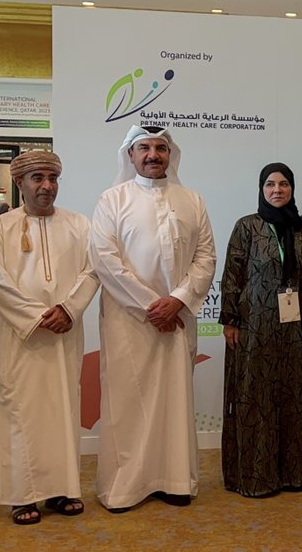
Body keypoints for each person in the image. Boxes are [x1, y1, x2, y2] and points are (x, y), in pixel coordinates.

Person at [90, 125, 217, 512]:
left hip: (176, 320)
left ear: (170, 154)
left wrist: (176, 301)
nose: (152, 155)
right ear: (130, 155)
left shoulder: (192, 200)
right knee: (128, 402)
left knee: (174, 400)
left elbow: (206, 258)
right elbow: (104, 260)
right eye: (143, 147)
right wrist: (152, 305)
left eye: (160, 148)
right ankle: (124, 487)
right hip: (128, 323)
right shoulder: (111, 200)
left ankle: (175, 479)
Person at [0, 151, 99, 524]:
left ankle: (63, 489)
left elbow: (92, 270)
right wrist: (34, 317)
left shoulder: (79, 224)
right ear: (19, 183)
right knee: (21, 411)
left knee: (64, 409)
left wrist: (69, 309)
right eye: (36, 178)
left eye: (52, 178)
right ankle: (22, 494)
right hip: (22, 338)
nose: (46, 186)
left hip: (65, 332)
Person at [220, 163, 302, 497]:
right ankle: (254, 477)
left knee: (291, 396)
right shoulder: (247, 226)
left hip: (293, 328)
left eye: (283, 184)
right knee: (256, 398)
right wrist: (230, 319)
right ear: (261, 190)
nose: (277, 190)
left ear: (292, 189)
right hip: (254, 328)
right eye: (269, 184)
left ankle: (291, 474)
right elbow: (232, 274)